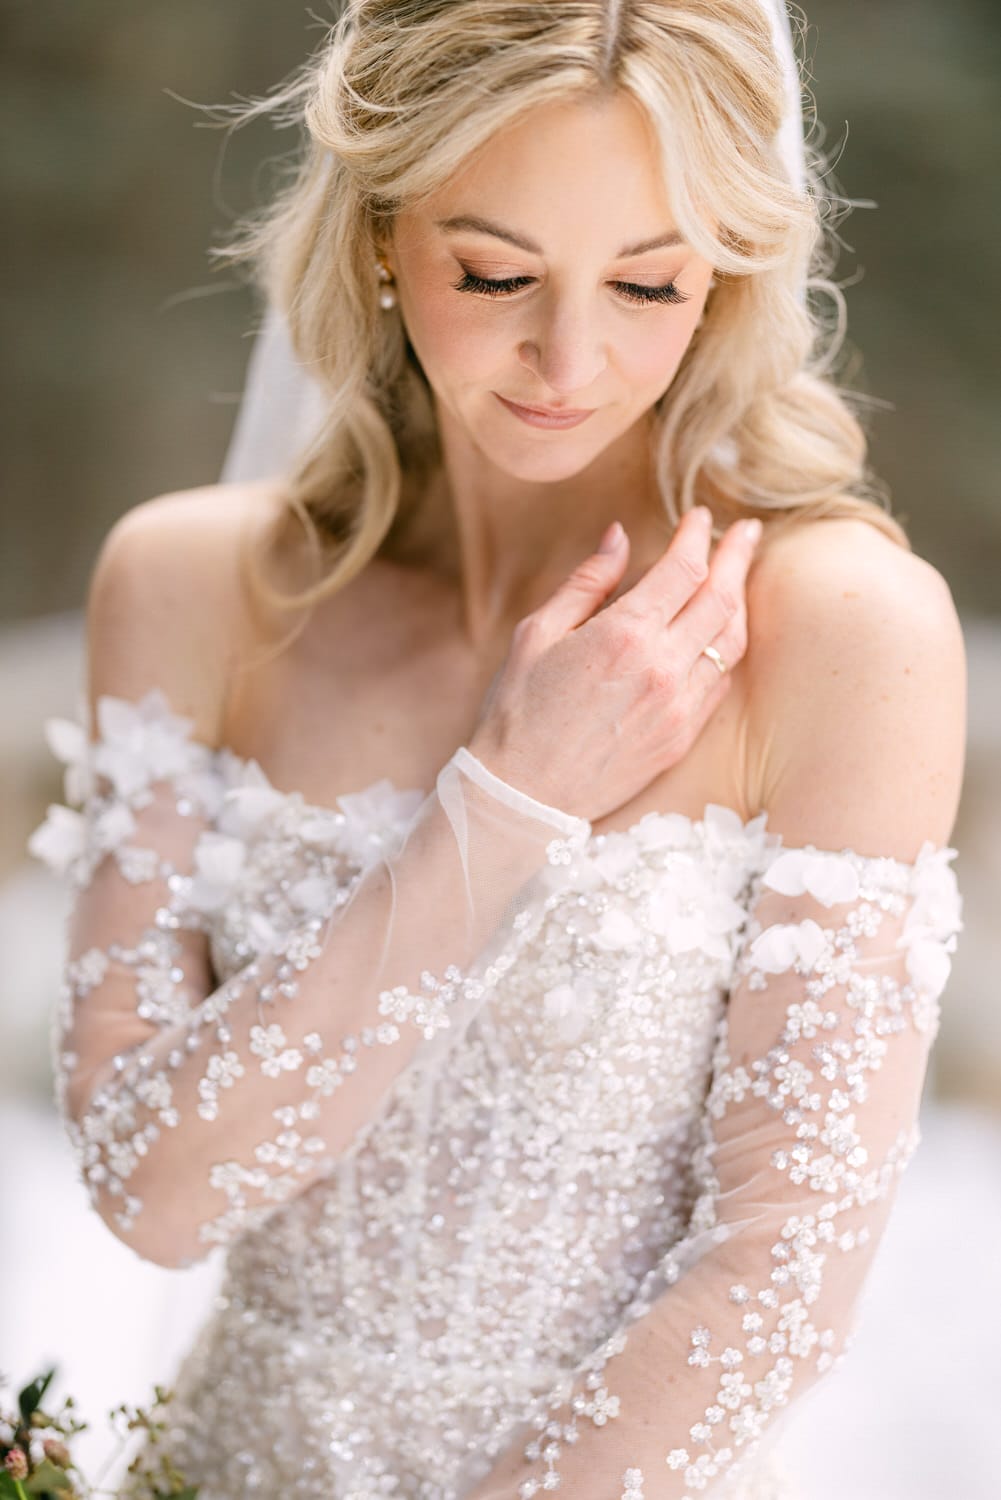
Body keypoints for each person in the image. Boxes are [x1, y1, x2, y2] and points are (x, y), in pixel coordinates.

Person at [27, 2, 966, 1497]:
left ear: (724, 271)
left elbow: (777, 1288)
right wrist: (503, 804)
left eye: (649, 284)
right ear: (380, 240)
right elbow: (156, 1196)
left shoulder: (842, 629)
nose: (569, 356)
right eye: (497, 271)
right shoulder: (192, 587)